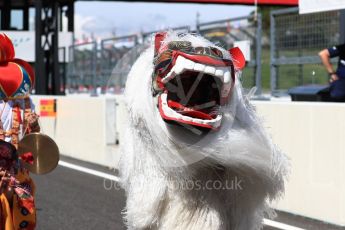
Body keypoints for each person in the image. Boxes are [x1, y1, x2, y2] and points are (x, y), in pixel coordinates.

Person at [0, 33, 39, 229]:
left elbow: (34, 140)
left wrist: (34, 125)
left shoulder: (27, 102)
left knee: (23, 217)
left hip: (18, 169)